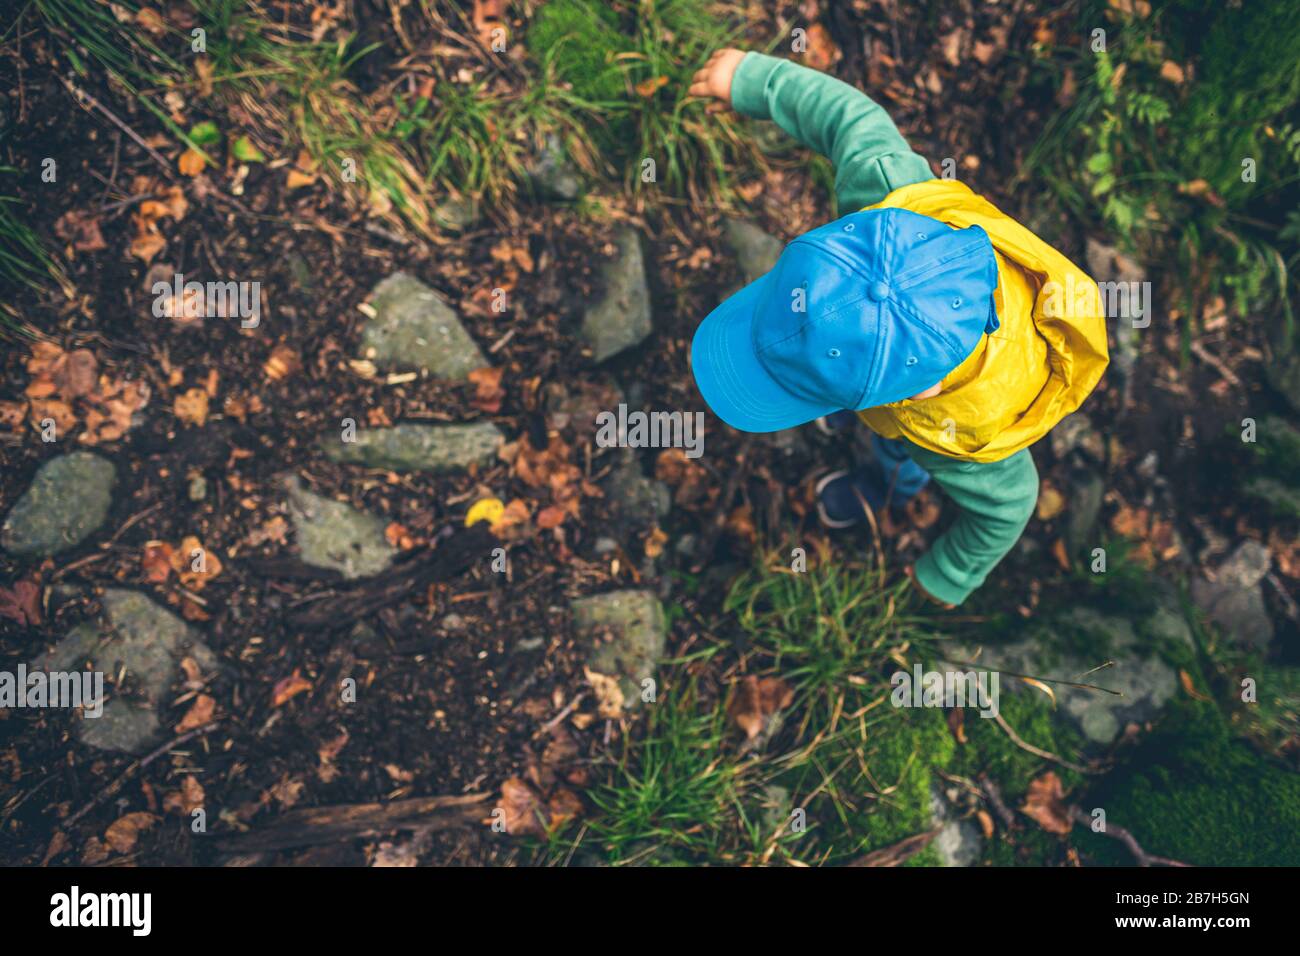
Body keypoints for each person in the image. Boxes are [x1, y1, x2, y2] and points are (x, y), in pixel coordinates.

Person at [688, 49, 1109, 607]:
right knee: (861, 381)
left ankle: (885, 484)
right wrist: (753, 79)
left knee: (897, 457)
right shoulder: (887, 203)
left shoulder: (964, 437)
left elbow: (1010, 504)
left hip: (930, 423)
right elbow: (849, 118)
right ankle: (840, 382)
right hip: (897, 385)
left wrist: (950, 573)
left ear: (919, 393)